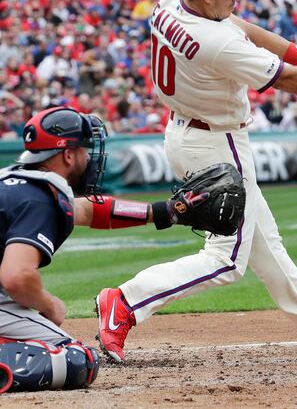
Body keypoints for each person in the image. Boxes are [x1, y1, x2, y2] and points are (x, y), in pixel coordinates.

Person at [95, 0, 297, 364]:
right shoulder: (215, 42)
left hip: (189, 132)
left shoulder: (173, 2)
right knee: (228, 258)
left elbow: (244, 26)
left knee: (264, 239)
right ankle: (125, 302)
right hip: (216, 144)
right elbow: (285, 80)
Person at [0, 106, 210, 392]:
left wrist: (166, 212)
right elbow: (17, 277)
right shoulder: (39, 199)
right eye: (85, 150)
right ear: (68, 155)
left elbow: (89, 211)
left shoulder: (16, 185)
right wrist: (49, 305)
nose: (90, 158)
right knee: (77, 360)